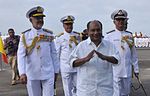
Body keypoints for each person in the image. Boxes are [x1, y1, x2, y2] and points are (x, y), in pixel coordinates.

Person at [69, 20, 120, 96]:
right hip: (86, 90)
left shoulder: (109, 45)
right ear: (88, 32)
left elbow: (117, 60)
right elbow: (72, 63)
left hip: (105, 89)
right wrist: (85, 59)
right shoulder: (81, 46)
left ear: (101, 30)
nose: (96, 33)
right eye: (93, 30)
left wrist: (105, 57)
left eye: (98, 30)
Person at [17, 6, 59, 96]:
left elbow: (54, 53)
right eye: (37, 18)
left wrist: (56, 70)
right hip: (32, 73)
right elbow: (21, 55)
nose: (40, 20)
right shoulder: (25, 36)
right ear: (30, 20)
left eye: (41, 18)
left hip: (48, 71)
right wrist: (22, 73)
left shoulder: (48, 34)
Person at [104, 9, 139, 96]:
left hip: (127, 70)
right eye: (118, 20)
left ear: (125, 21)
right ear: (114, 22)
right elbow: (105, 53)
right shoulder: (109, 36)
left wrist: (136, 68)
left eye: (122, 20)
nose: (120, 22)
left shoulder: (129, 35)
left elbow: (133, 53)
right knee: (116, 93)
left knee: (126, 93)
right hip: (114, 70)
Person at [55, 15, 82, 96]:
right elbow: (57, 54)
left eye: (70, 24)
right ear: (63, 25)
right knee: (67, 89)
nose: (69, 26)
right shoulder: (59, 38)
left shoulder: (77, 36)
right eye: (67, 24)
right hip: (65, 67)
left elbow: (80, 51)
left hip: (76, 66)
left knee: (79, 87)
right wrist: (57, 69)